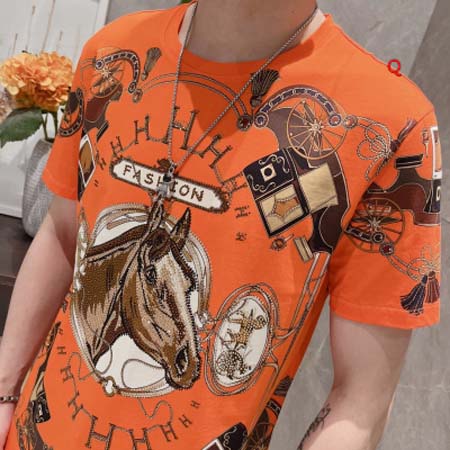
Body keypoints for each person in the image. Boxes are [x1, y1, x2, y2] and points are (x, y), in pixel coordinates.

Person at [0, 0, 443, 449]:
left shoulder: (391, 126)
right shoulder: (114, 56)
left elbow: (361, 399)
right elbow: (63, 235)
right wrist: (4, 393)